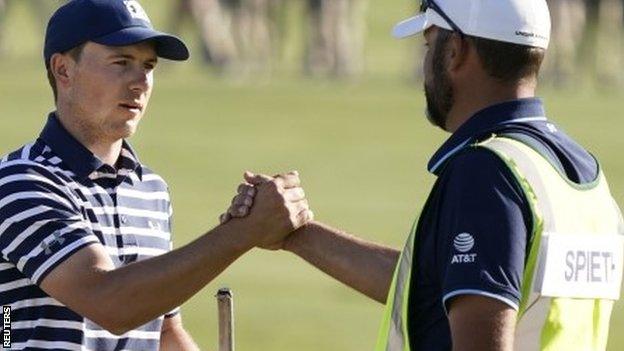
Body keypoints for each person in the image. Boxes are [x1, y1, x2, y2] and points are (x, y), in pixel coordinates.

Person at [226, 0, 624, 349]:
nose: (424, 62)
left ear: (454, 51)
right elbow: (436, 288)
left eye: (428, 44)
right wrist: (297, 235)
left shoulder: (489, 172)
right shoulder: (583, 175)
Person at [0, 0, 312, 349]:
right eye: (121, 63)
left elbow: (163, 331)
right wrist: (240, 234)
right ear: (63, 70)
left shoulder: (151, 190)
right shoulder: (19, 183)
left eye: (148, 66)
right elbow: (109, 302)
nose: (140, 82)